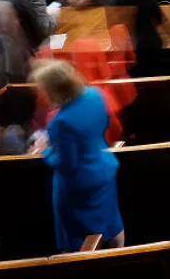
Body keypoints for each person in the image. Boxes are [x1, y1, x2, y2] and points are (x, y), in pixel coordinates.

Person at [30, 59, 125, 252]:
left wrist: (45, 150)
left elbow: (66, 163)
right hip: (104, 168)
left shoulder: (61, 122)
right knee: (111, 220)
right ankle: (120, 257)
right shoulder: (94, 94)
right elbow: (103, 124)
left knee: (77, 235)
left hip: (79, 185)